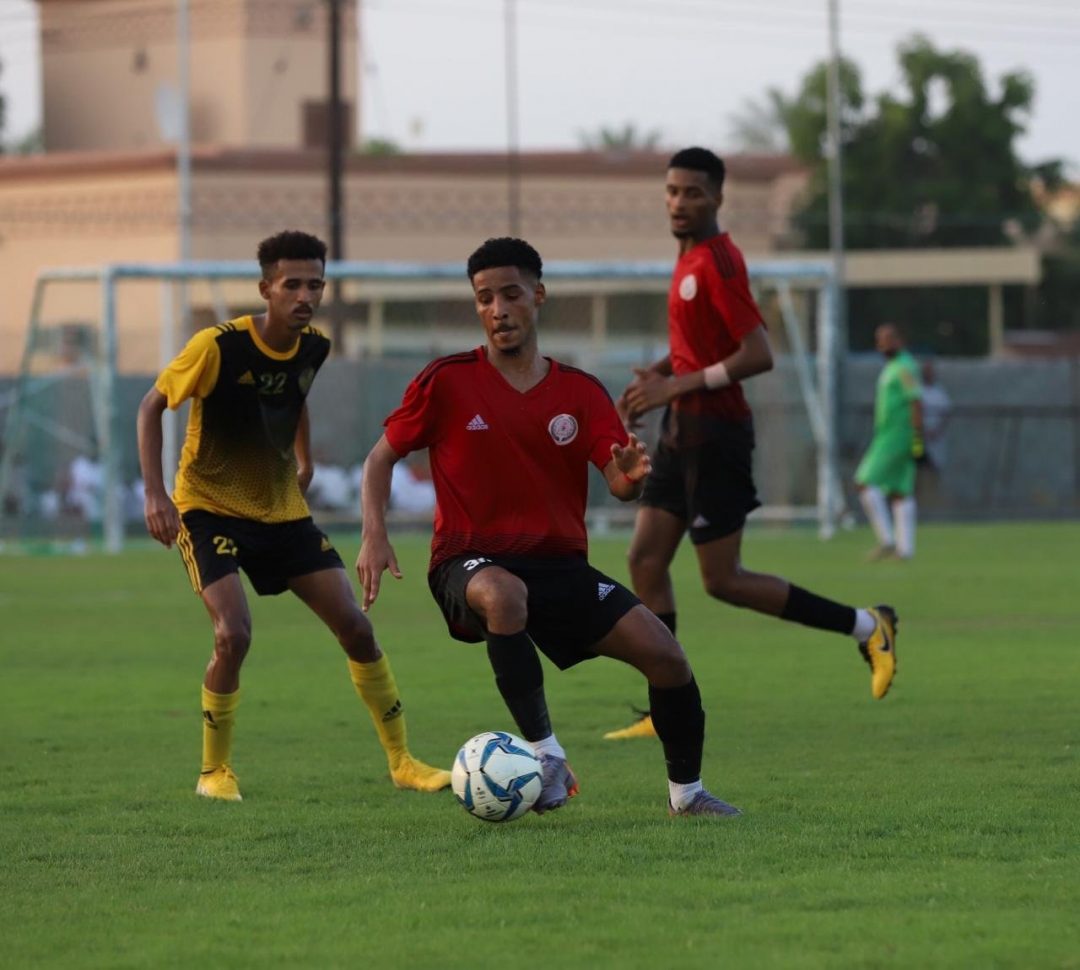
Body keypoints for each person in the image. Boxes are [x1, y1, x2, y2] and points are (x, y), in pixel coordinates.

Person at [357, 236, 740, 817]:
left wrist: (632, 476)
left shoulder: (579, 392)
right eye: (484, 298)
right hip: (469, 558)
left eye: (511, 294)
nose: (498, 310)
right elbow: (380, 458)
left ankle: (687, 796)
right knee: (503, 594)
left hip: (559, 566)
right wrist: (374, 533)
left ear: (538, 296)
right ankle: (547, 755)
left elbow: (619, 481)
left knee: (667, 658)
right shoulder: (447, 380)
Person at [136, 229, 450, 801]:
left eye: (315, 285)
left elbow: (292, 397)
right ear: (266, 289)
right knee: (233, 634)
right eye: (292, 285)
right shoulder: (217, 346)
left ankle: (402, 761)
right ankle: (214, 772)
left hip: (282, 512)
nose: (305, 296)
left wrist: (304, 459)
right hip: (210, 510)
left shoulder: (314, 347)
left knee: (356, 628)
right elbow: (151, 405)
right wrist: (155, 494)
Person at [606, 147, 898, 742]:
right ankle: (666, 709)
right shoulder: (687, 257)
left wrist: (673, 386)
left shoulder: (720, 261)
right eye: (672, 191)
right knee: (645, 561)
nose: (679, 202)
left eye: (692, 192)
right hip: (681, 431)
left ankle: (869, 626)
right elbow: (698, 348)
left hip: (716, 436)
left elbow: (758, 354)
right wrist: (657, 376)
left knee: (724, 580)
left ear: (718, 197)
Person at [855, 323, 924, 561]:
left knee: (864, 481)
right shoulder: (893, 366)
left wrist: (917, 439)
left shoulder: (905, 366)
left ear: (900, 340)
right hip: (889, 434)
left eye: (887, 339)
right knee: (899, 490)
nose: (882, 344)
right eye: (879, 340)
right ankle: (905, 550)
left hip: (897, 436)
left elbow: (915, 401)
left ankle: (887, 540)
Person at [918, 358, 952, 474]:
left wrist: (936, 431)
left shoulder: (940, 392)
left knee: (935, 466)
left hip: (936, 438)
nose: (928, 373)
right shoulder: (916, 391)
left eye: (930, 371)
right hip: (918, 437)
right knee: (917, 465)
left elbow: (946, 413)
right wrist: (922, 430)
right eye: (926, 371)